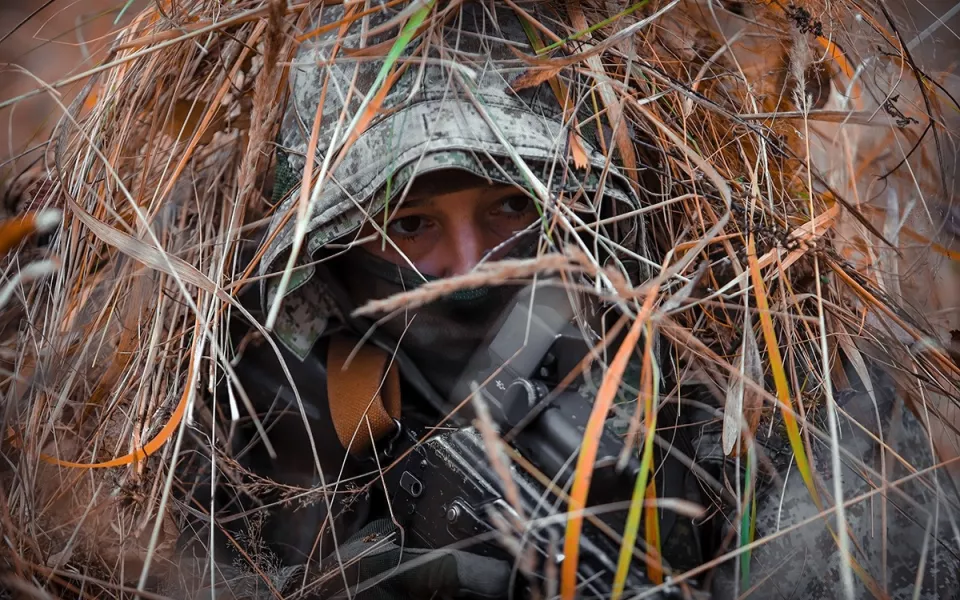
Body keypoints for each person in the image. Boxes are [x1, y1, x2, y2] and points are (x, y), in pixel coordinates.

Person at [169, 2, 960, 599]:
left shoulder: (755, 378)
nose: (472, 263)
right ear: (332, 251)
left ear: (593, 203)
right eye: (409, 224)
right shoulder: (240, 415)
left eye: (513, 206)